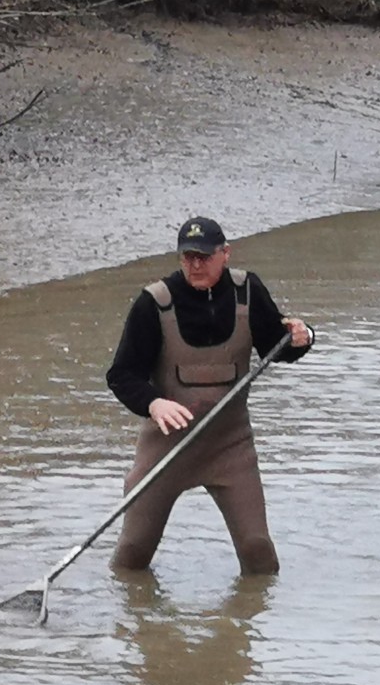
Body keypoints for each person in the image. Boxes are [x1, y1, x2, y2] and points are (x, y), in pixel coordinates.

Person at [105, 216, 315, 573]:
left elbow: (277, 347)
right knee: (132, 555)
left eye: (204, 256)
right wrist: (153, 403)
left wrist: (304, 336)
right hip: (166, 449)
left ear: (225, 253)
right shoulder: (153, 303)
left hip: (230, 447)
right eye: (188, 257)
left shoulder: (248, 291)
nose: (195, 264)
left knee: (259, 554)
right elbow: (122, 375)